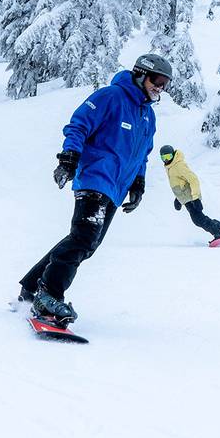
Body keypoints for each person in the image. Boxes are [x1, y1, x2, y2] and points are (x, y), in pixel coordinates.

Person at [18, 54, 173, 325]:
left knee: (86, 243)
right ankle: (49, 294)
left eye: (165, 83)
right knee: (83, 238)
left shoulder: (147, 115)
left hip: (115, 188)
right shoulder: (111, 96)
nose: (160, 87)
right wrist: (69, 158)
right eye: (156, 80)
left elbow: (143, 155)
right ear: (140, 75)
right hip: (95, 178)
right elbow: (78, 125)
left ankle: (32, 286)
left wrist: (139, 183)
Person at [159, 145, 220, 242]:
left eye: (168, 156)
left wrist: (196, 198)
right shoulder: (170, 167)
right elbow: (180, 184)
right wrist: (178, 199)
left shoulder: (178, 165)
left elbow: (193, 179)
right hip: (186, 199)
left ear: (173, 155)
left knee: (198, 219)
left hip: (192, 198)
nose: (166, 160)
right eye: (163, 157)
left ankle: (219, 233)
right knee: (198, 219)